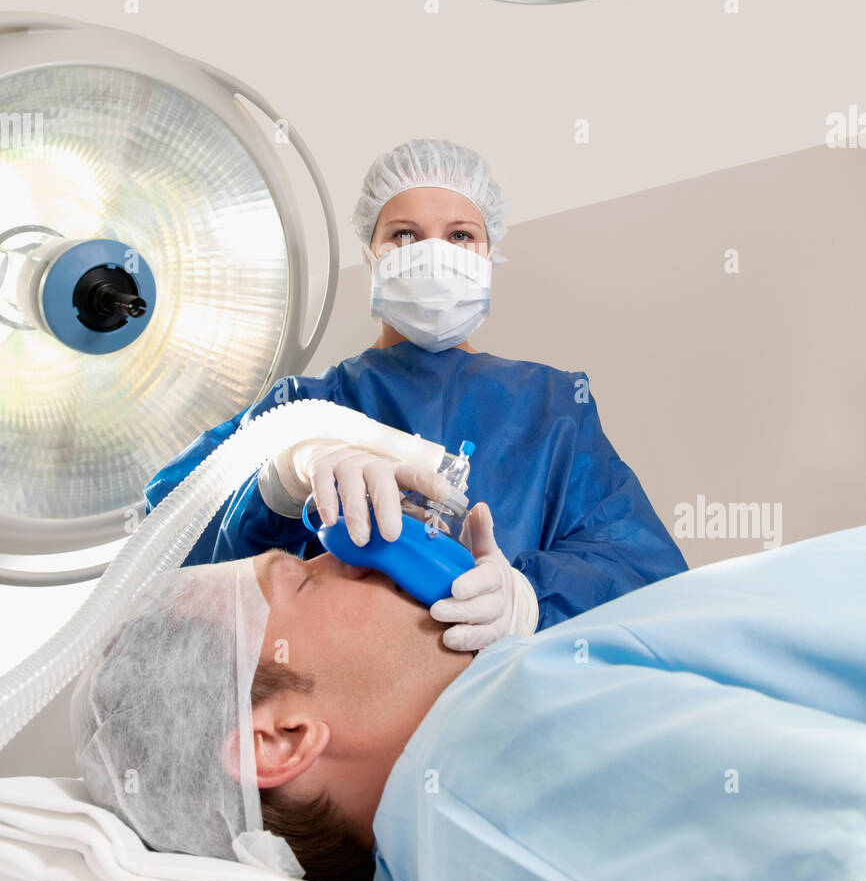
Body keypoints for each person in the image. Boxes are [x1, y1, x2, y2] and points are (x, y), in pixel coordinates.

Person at [71, 511, 866, 881]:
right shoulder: (484, 771)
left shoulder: (510, 715)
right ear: (281, 738)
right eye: (305, 580)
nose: (354, 552)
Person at [143, 138, 686, 649]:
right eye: (404, 234)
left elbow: (645, 572)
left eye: (459, 236)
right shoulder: (301, 411)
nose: (432, 254)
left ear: (489, 255)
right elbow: (159, 550)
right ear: (371, 254)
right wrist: (276, 485)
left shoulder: (552, 407)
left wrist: (528, 601)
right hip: (332, 723)